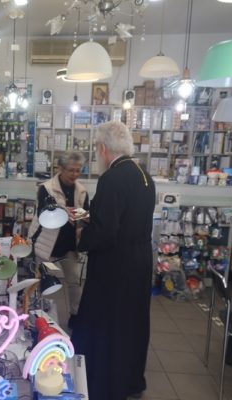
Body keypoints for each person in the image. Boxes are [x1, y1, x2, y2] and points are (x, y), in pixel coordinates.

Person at [72, 121, 155, 400]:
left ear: (103, 148)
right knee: (133, 319)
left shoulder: (112, 178)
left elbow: (106, 230)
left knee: (108, 320)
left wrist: (82, 234)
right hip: (140, 258)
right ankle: (131, 380)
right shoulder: (144, 175)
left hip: (116, 263)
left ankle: (104, 381)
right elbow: (126, 218)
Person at [29, 151, 89, 329]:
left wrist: (83, 218)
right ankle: (41, 317)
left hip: (70, 246)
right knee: (44, 283)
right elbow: (44, 211)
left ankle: (76, 316)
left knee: (75, 282)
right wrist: (65, 211)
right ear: (60, 169)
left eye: (78, 170)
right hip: (47, 245)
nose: (75, 174)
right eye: (71, 170)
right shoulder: (46, 188)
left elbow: (85, 214)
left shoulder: (81, 191)